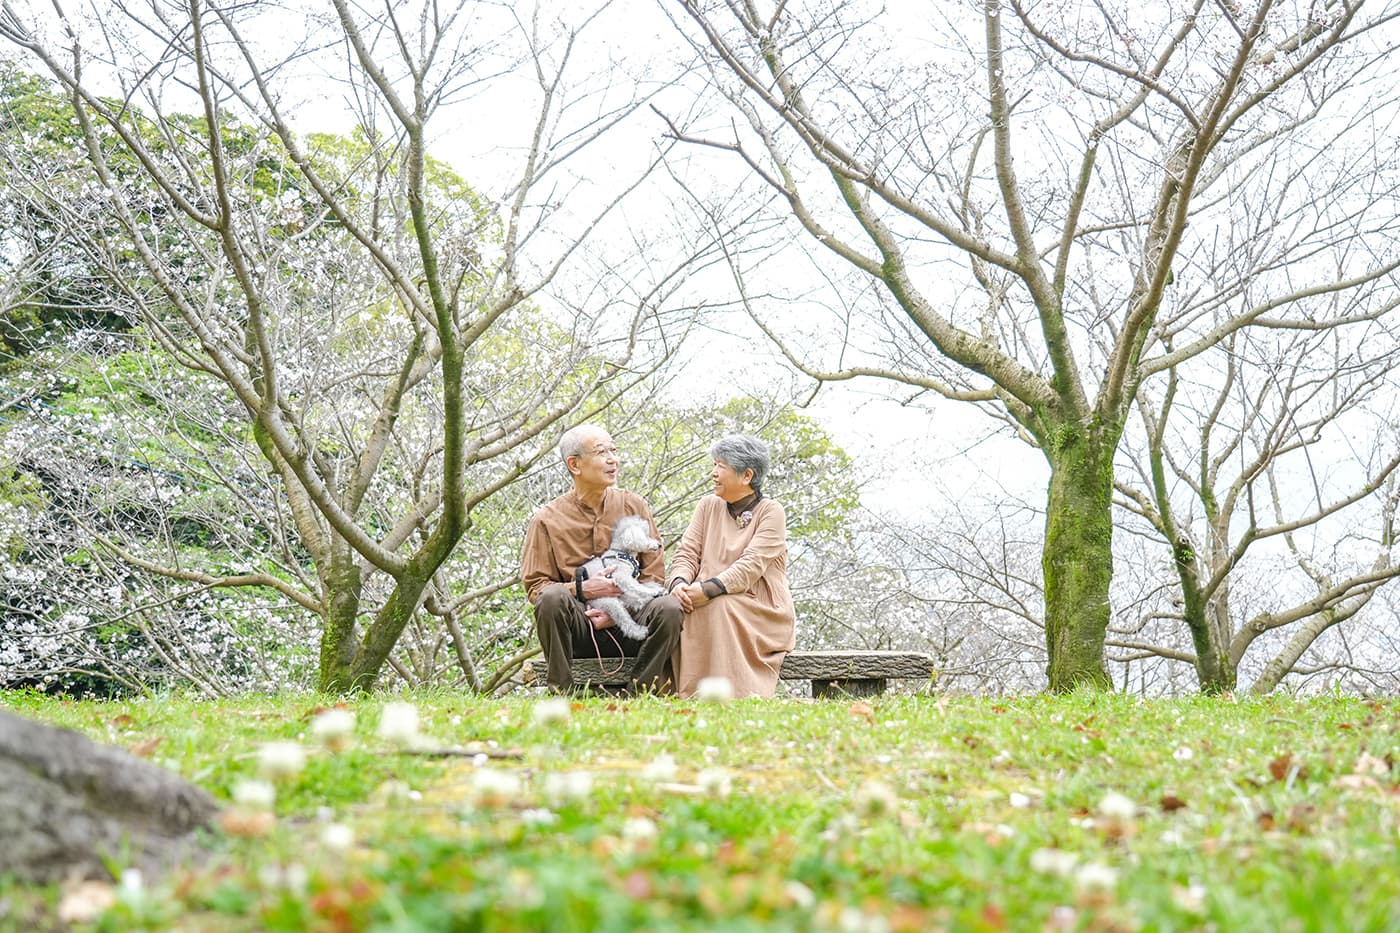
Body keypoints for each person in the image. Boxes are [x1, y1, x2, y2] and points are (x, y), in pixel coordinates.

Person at [522, 424, 683, 694]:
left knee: (669, 607)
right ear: (574, 464)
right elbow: (536, 588)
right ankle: (561, 693)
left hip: (632, 624)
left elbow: (653, 577)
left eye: (614, 450)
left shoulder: (635, 506)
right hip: (580, 626)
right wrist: (582, 589)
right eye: (601, 452)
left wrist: (622, 610)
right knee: (551, 599)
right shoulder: (546, 519)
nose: (613, 459)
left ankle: (638, 693)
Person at [668, 434, 795, 698]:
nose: (713, 473)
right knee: (677, 606)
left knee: (720, 605)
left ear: (747, 475)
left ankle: (734, 694)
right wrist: (679, 584)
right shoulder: (707, 506)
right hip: (704, 594)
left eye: (720, 466)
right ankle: (688, 693)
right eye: (714, 465)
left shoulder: (772, 511)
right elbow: (687, 553)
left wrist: (708, 589)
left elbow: (751, 565)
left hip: (758, 606)